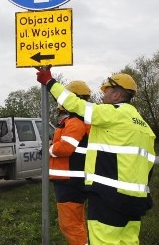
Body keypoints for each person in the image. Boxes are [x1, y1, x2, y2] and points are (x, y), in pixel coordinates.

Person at [36, 67, 156, 245]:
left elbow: (76, 105)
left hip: (108, 199)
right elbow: (149, 166)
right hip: (136, 202)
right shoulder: (145, 127)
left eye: (106, 91)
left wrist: (49, 81)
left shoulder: (112, 114)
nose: (103, 97)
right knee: (128, 242)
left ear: (116, 95)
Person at [49, 80, 91, 245]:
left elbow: (65, 148)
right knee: (76, 222)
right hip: (71, 180)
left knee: (70, 224)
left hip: (70, 182)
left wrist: (50, 149)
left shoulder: (75, 122)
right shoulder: (78, 121)